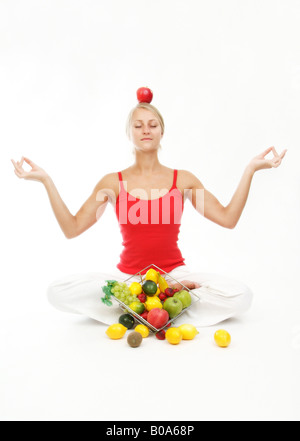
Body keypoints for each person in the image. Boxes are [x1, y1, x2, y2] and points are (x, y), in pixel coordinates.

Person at [11, 101, 287, 327]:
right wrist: (46, 180)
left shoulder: (183, 181)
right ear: (129, 132)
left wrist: (250, 169)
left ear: (162, 131)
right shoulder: (112, 183)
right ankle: (158, 311)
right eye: (138, 125)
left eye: (153, 125)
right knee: (57, 291)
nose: (146, 130)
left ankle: (145, 310)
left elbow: (228, 218)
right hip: (128, 280)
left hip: (174, 278)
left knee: (241, 296)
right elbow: (72, 228)